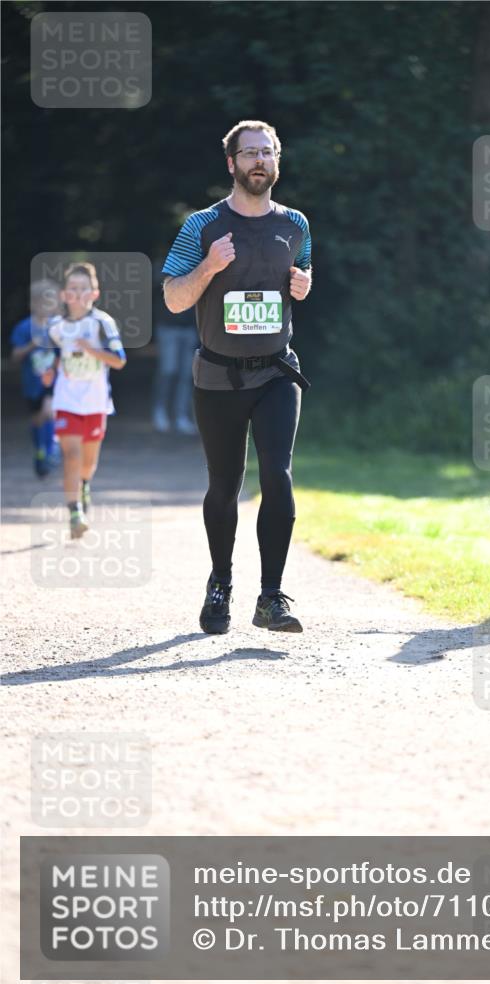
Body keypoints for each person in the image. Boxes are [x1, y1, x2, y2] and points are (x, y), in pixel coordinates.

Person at [161, 119, 312, 634]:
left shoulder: (296, 224)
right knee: (224, 486)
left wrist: (303, 285)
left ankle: (271, 597)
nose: (259, 162)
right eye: (249, 153)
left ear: (277, 161)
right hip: (218, 376)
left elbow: (301, 278)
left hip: (276, 372)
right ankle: (220, 583)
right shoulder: (202, 225)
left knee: (278, 475)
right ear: (231, 163)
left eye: (267, 152)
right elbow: (174, 297)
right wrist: (207, 267)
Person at [42, 262, 127, 539]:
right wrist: (50, 369)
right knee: (71, 456)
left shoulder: (102, 323)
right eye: (73, 289)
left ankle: (85, 484)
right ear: (65, 294)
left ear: (94, 293)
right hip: (66, 400)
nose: (78, 293)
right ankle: (74, 512)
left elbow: (119, 361)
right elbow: (53, 354)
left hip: (95, 401)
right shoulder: (55, 326)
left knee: (87, 463)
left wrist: (92, 350)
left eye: (83, 289)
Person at [10, 280, 61, 477]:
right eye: (43, 303)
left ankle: (51, 450)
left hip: (54, 381)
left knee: (50, 412)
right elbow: (15, 356)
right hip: (32, 383)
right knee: (38, 418)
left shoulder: (57, 327)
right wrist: (31, 345)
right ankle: (40, 450)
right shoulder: (24, 328)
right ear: (33, 304)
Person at [151, 282, 198, 434]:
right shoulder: (166, 268)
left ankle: (181, 416)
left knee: (186, 374)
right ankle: (160, 412)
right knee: (168, 371)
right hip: (168, 326)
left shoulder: (201, 266)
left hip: (190, 328)